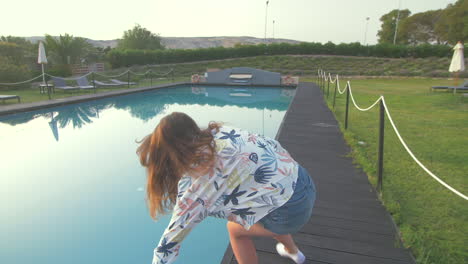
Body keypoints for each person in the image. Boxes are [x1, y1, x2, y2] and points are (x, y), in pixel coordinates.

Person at [137, 112, 316, 264]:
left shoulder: (197, 188)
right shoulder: (222, 132)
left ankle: (290, 246)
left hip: (291, 212)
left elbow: (168, 245)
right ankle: (294, 253)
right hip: (303, 180)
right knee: (261, 208)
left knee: (234, 230)